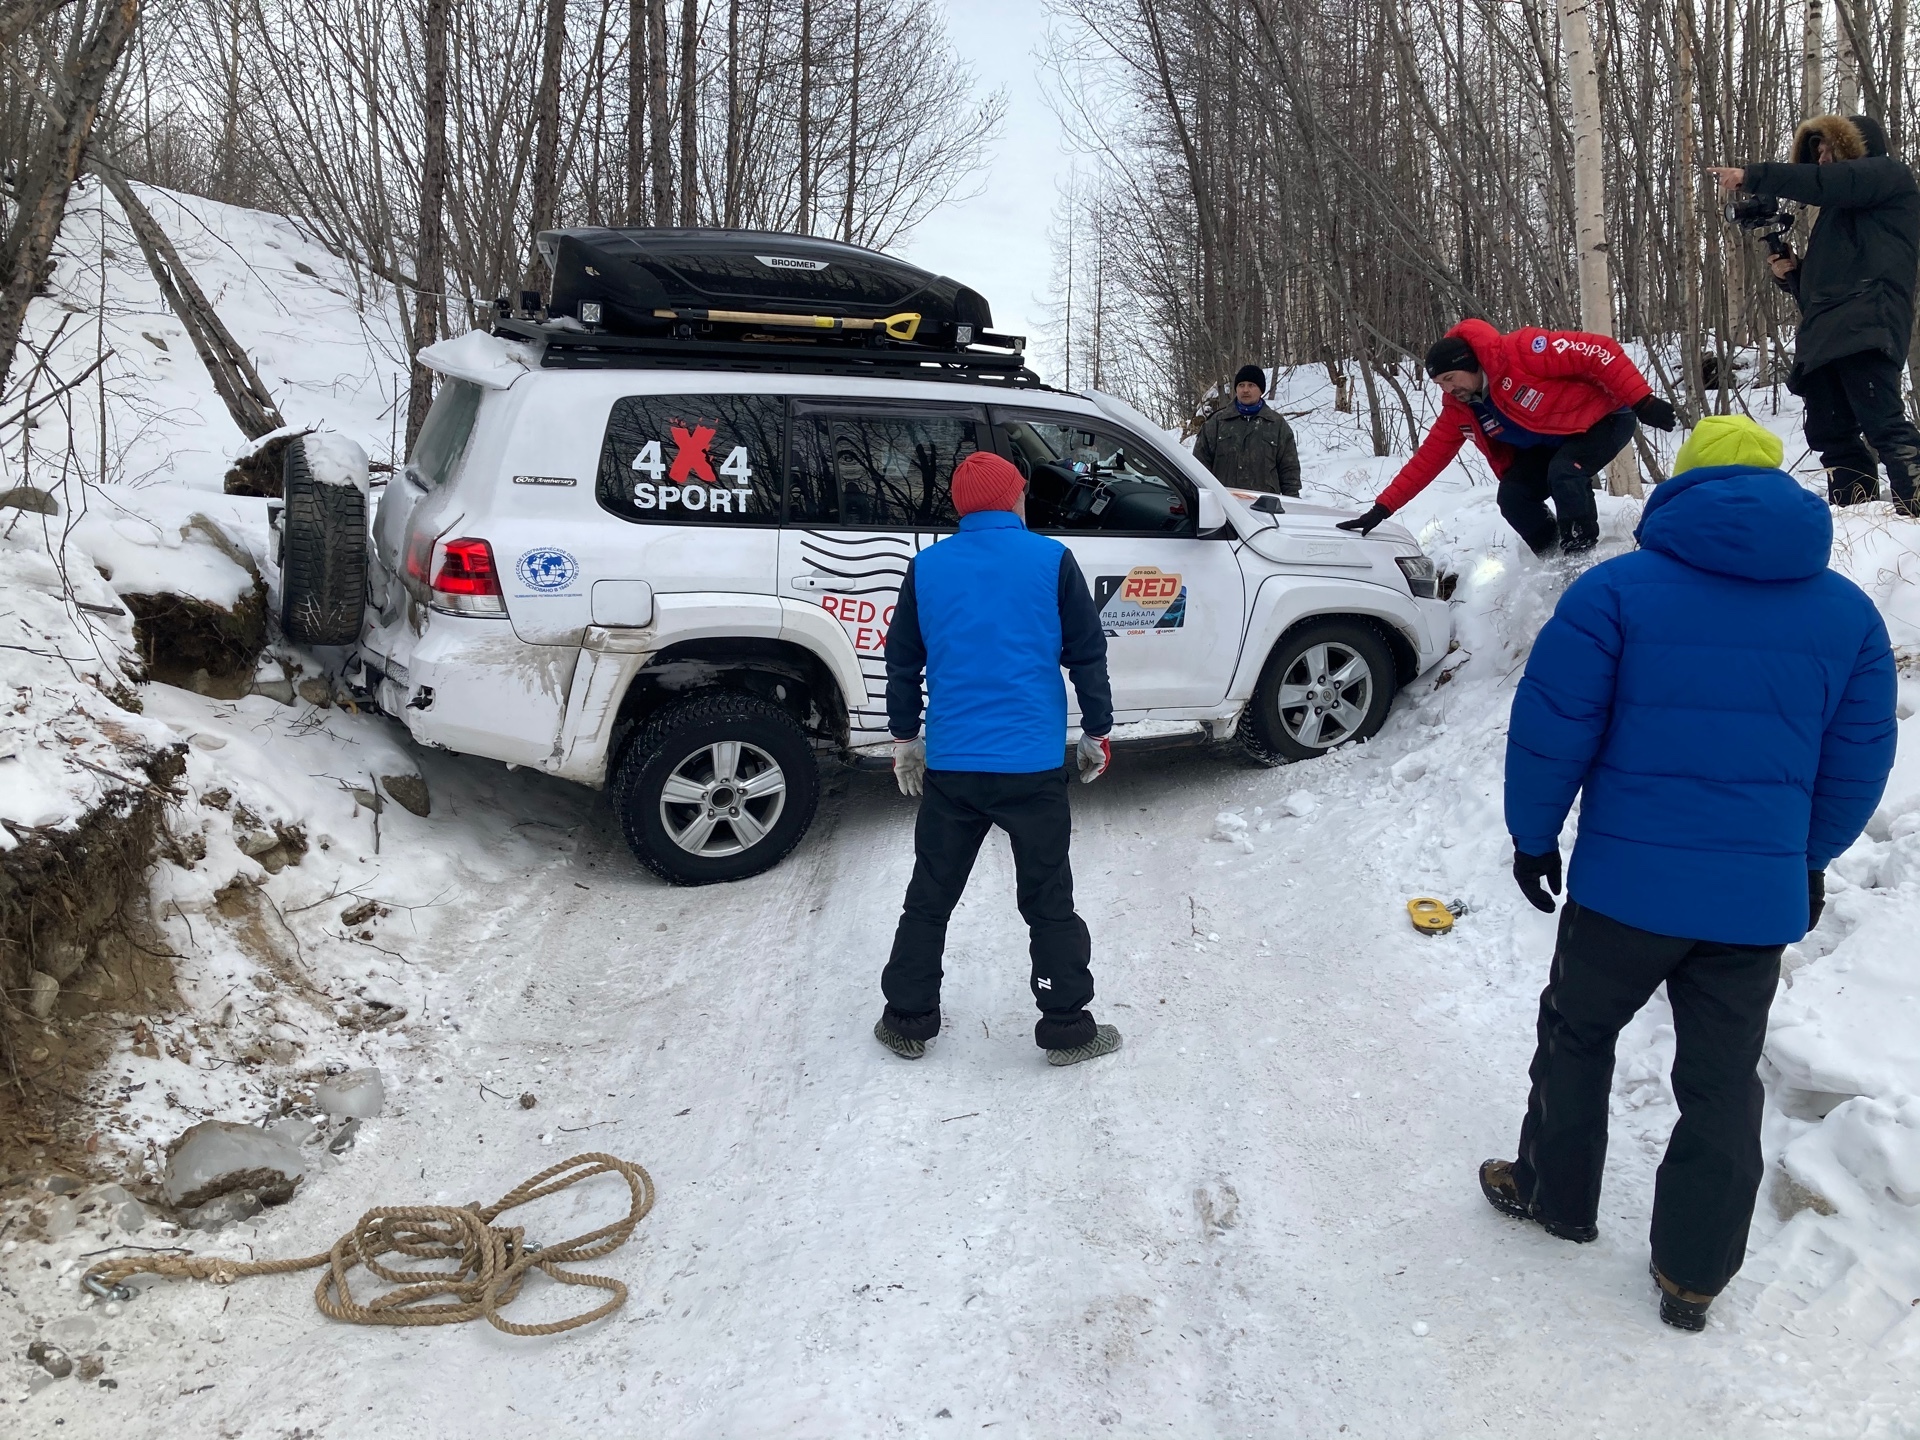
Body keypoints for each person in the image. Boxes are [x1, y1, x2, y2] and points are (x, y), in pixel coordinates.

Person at [1484, 414, 1897, 1331]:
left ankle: (1556, 1196)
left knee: (1577, 1035)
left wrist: (1533, 835)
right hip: (1752, 903)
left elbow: (1553, 727)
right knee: (1721, 1081)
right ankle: (1693, 1277)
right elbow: (1860, 759)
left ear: (1684, 487)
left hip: (1623, 893)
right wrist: (1808, 857)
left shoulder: (1617, 594)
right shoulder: (1847, 615)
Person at [875, 451, 1122, 1068]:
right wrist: (1097, 729)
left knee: (930, 895)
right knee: (1048, 899)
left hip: (954, 769)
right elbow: (1087, 653)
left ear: (960, 509)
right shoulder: (1051, 560)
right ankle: (1067, 1026)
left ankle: (907, 1018)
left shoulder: (926, 568)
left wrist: (905, 736)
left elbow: (902, 659)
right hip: (1032, 766)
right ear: (1015, 499)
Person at [1710, 114, 1920, 513]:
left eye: (1828, 149)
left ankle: (1915, 509)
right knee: (1829, 430)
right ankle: (1854, 512)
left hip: (1868, 320)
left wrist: (1753, 175)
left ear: (1855, 149)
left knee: (1883, 421)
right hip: (1827, 332)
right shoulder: (1837, 217)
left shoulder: (1888, 177)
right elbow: (1823, 290)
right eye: (1817, 151)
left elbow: (1829, 183)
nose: (1821, 158)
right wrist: (1794, 275)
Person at [1336, 322, 1675, 554]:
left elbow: (1597, 350)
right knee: (1512, 496)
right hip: (1553, 442)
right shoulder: (1461, 408)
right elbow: (1426, 461)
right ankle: (1554, 559)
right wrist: (1381, 509)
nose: (1448, 389)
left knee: (1565, 472)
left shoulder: (1521, 352)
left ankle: (1580, 557)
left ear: (1471, 365)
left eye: (1451, 378)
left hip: (1605, 418)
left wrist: (1642, 400)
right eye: (1440, 384)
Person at [1194, 364, 1301, 497]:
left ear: (1261, 390)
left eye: (1251, 385)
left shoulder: (1277, 425)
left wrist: (1292, 503)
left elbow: (1289, 471)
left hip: (1264, 507)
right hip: (1224, 504)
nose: (1245, 390)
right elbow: (1199, 466)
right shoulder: (1217, 422)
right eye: (1241, 385)